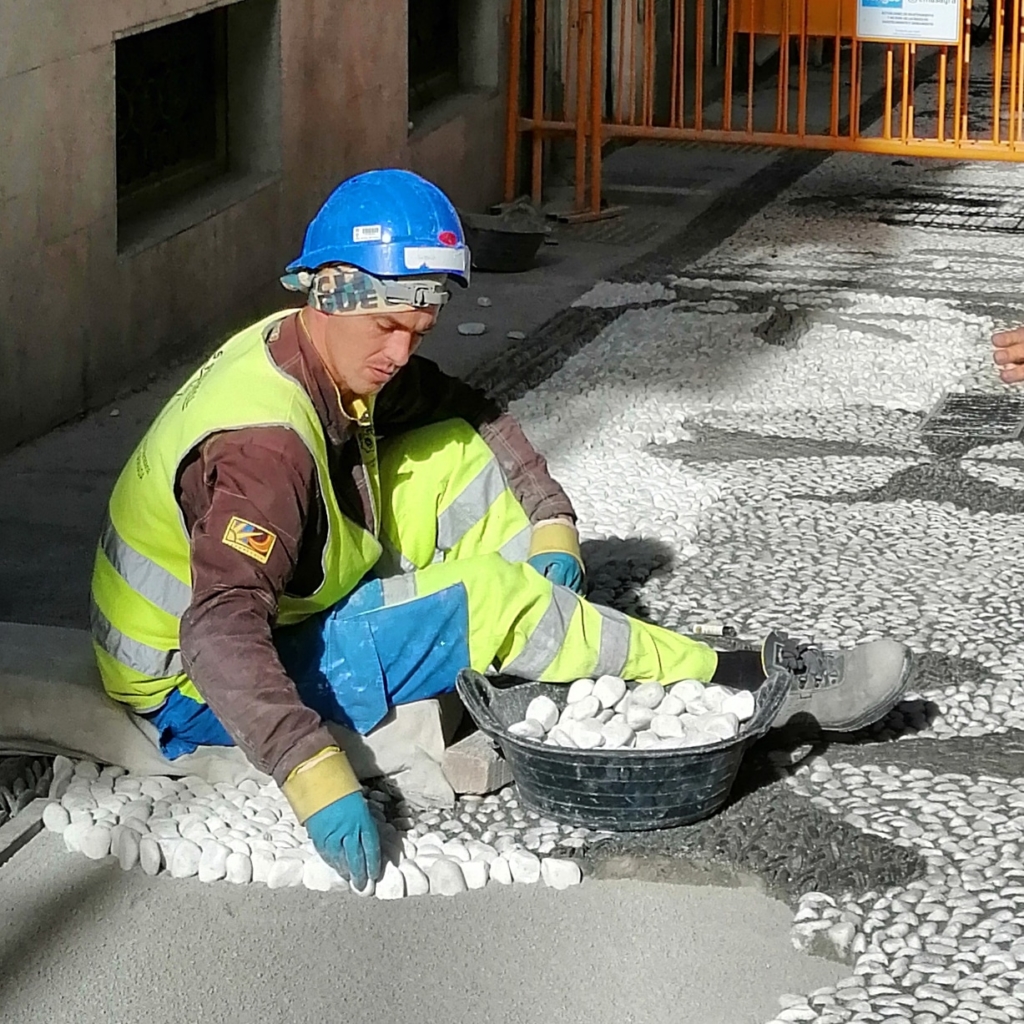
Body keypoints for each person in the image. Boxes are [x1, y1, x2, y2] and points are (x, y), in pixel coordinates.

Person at [90, 169, 911, 890]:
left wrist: (552, 530)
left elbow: (467, 412)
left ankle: (552, 643)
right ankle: (742, 679)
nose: (400, 353)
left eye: (418, 330)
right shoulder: (262, 449)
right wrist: (312, 774)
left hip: (272, 599)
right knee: (483, 601)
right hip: (187, 678)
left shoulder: (321, 349)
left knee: (453, 453)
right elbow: (220, 629)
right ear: (330, 291)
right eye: (386, 328)